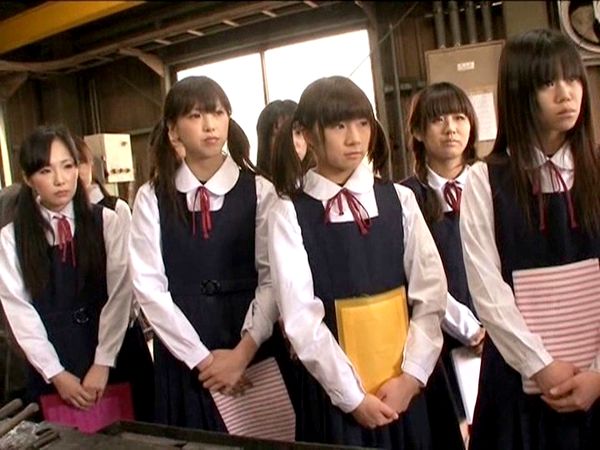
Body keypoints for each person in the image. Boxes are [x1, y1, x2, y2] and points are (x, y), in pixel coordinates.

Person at [268, 75, 447, 449]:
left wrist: (412, 377)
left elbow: (430, 294)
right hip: (336, 400)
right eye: (339, 126)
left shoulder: (399, 200)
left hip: (408, 390)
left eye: (363, 123)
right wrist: (352, 397)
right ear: (307, 134)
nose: (355, 138)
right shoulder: (289, 212)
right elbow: (300, 318)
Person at [461, 29, 600, 450]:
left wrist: (597, 373)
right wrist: (540, 365)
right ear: (519, 92)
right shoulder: (485, 179)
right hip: (517, 386)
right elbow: (488, 290)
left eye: (572, 78)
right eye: (547, 82)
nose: (566, 94)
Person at [128, 75, 280, 430]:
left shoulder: (260, 190)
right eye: (195, 116)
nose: (210, 125)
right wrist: (202, 360)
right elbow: (149, 288)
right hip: (183, 355)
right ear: (173, 131)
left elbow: (273, 277)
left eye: (218, 113)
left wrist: (242, 354)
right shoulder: (152, 197)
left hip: (250, 343)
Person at [0, 125, 131, 409]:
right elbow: (20, 312)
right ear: (28, 178)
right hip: (54, 364)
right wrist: (56, 374)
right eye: (45, 171)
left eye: (68, 166)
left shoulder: (107, 221)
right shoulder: (11, 238)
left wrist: (103, 362)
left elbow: (121, 292)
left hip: (116, 355)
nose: (60, 180)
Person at [402, 82, 485, 447]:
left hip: (500, 336)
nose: (451, 128)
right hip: (437, 343)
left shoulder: (495, 184)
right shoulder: (405, 197)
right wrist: (468, 328)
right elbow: (415, 274)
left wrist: (492, 327)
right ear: (419, 132)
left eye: (459, 117)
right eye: (438, 120)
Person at [73, 136, 154, 422]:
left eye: (78, 164)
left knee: (135, 419)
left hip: (120, 337)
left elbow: (126, 281)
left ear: (90, 165)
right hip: (78, 344)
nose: (71, 175)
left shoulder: (114, 210)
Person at [256, 99, 298, 176]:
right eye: (279, 135)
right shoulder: (256, 182)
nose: (290, 141)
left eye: (297, 133)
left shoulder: (315, 179)